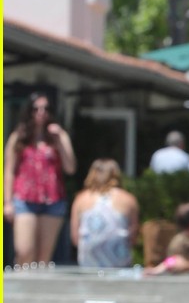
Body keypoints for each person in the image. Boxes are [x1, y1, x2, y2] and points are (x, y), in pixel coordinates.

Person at [3, 93, 77, 266]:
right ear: (29, 111)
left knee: (43, 258)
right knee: (24, 251)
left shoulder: (57, 137)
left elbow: (70, 168)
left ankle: (37, 283)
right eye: (36, 109)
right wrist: (7, 202)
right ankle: (21, 281)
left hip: (53, 199)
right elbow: (9, 171)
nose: (41, 113)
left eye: (46, 109)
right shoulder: (19, 136)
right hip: (24, 198)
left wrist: (61, 139)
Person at [70, 158, 140, 268]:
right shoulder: (128, 199)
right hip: (119, 260)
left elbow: (75, 238)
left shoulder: (81, 199)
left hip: (89, 260)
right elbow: (133, 237)